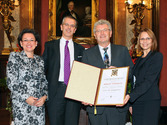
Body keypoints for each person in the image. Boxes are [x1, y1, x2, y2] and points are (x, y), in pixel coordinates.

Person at [82, 19, 134, 125]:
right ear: (95, 35)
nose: (102, 33)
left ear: (110, 33)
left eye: (105, 30)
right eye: (98, 31)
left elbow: (131, 73)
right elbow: (84, 79)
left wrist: (118, 72)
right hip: (96, 107)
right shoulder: (87, 54)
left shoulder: (122, 50)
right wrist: (84, 97)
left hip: (118, 106)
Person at [43, 16, 85, 125]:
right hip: (55, 91)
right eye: (66, 24)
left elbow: (84, 73)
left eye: (72, 26)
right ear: (61, 27)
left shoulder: (81, 49)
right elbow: (42, 70)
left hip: (74, 92)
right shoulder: (49, 46)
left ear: (75, 30)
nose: (69, 28)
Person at [6, 29, 48, 125]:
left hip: (38, 106)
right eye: (25, 40)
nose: (29, 42)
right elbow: (11, 82)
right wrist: (26, 98)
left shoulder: (40, 60)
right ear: (21, 43)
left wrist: (45, 97)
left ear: (36, 43)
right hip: (21, 105)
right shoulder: (15, 57)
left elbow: (44, 81)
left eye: (32, 40)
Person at [124, 28, 163, 125]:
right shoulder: (139, 60)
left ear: (153, 40)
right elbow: (133, 82)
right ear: (139, 41)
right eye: (142, 39)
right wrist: (131, 103)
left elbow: (148, 81)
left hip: (150, 101)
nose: (144, 41)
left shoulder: (157, 56)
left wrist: (130, 96)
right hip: (137, 102)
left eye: (148, 38)